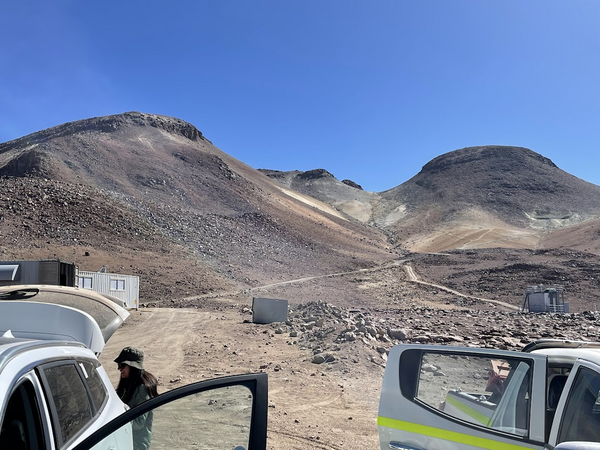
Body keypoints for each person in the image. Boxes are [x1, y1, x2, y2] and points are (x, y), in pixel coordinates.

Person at [114, 347, 159, 450]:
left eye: (122, 365)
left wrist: (121, 416)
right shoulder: (128, 384)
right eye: (119, 365)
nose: (119, 369)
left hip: (136, 445)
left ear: (133, 367)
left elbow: (139, 423)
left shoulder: (142, 389)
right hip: (127, 441)